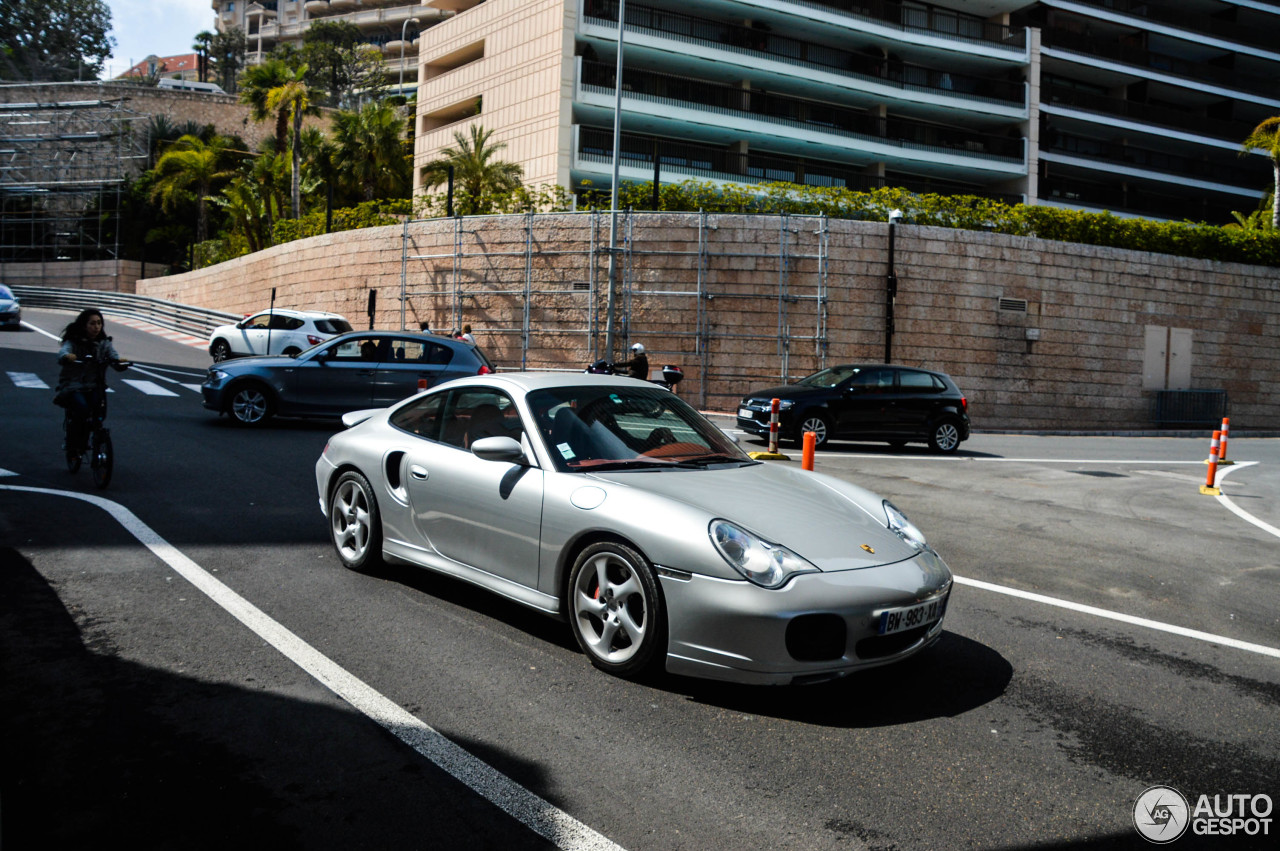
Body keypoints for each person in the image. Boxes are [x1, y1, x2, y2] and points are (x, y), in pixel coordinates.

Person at [55, 309, 127, 458]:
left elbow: (113, 357)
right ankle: (72, 443)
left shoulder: (104, 343)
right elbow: (64, 352)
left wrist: (119, 363)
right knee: (82, 409)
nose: (96, 327)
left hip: (95, 385)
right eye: (92, 323)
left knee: (98, 412)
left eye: (99, 323)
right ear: (84, 325)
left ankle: (96, 438)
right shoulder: (73, 341)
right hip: (73, 385)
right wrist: (68, 357)